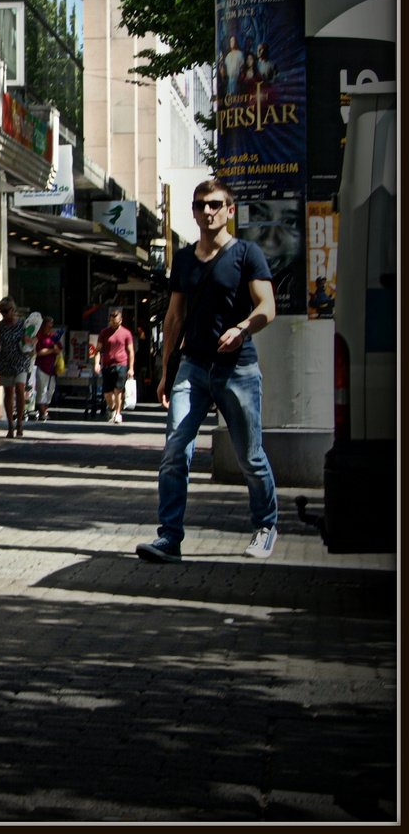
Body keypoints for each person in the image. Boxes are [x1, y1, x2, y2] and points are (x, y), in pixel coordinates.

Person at [137, 178, 278, 564]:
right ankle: (169, 538)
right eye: (200, 205)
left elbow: (267, 305)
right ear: (194, 211)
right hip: (193, 367)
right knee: (175, 450)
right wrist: (167, 370)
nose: (208, 211)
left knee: (249, 455)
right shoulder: (183, 259)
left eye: (215, 204)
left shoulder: (247, 253)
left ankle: (265, 525)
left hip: (238, 368)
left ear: (230, 211)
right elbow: (174, 316)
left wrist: (243, 327)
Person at [0, 297, 32, 438]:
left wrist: (30, 340)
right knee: (8, 392)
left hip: (21, 360)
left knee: (20, 388)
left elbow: (35, 339)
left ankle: (20, 423)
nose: (3, 314)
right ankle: (10, 424)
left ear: (13, 310)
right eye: (1, 311)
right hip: (5, 361)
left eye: (5, 311)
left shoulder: (23, 324)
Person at [94, 308, 135, 424]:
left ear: (121, 320)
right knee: (107, 392)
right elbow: (98, 349)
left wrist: (131, 368)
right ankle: (112, 407)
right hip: (107, 365)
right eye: (111, 322)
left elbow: (131, 351)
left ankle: (118, 413)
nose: (113, 324)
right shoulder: (104, 333)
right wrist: (97, 363)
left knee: (118, 389)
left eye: (115, 322)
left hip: (121, 363)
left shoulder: (126, 333)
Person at [33, 317, 62, 423]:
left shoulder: (53, 337)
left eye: (51, 327)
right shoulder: (38, 336)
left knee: (50, 391)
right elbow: (39, 352)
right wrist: (51, 350)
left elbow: (58, 350)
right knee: (42, 390)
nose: (49, 329)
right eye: (47, 327)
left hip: (52, 369)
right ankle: (43, 412)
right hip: (41, 367)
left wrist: (54, 349)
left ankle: (46, 410)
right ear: (43, 326)